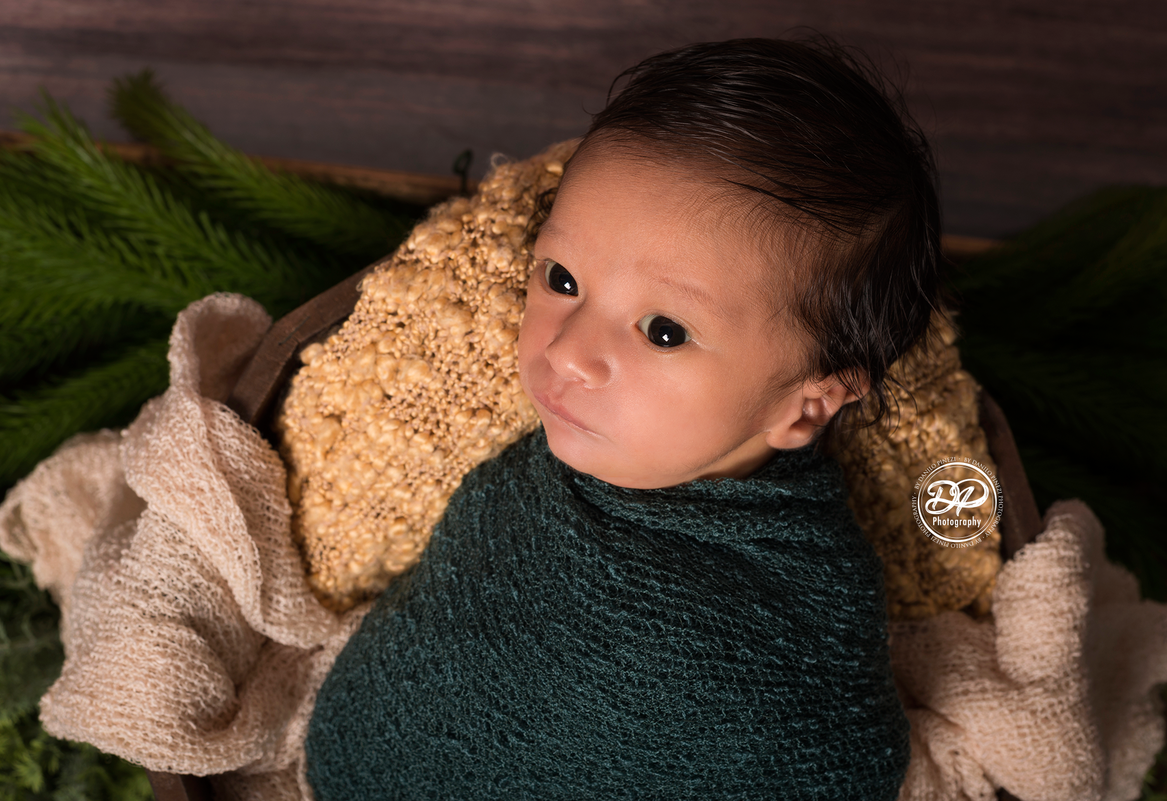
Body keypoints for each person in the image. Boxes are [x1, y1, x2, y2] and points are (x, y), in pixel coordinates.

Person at [306, 36, 943, 800]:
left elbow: (832, 756)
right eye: (561, 278)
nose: (568, 351)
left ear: (804, 406)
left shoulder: (795, 606)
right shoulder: (519, 484)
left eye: (663, 331)